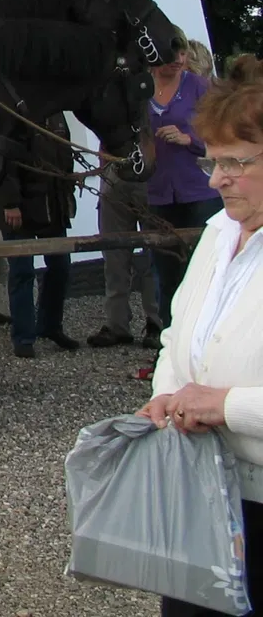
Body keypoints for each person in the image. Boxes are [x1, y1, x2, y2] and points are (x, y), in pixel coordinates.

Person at [139, 54, 263, 617]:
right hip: (204, 489)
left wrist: (227, 406)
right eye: (214, 162)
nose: (216, 180)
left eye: (235, 163)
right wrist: (168, 394)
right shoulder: (218, 230)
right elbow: (175, 336)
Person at [147, 40, 224, 327]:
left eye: (181, 53)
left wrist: (189, 139)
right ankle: (169, 342)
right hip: (158, 191)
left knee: (204, 269)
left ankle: (208, 336)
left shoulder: (201, 87)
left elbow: (223, 136)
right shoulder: (141, 89)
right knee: (166, 273)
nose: (178, 59)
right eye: (171, 53)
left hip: (199, 190)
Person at [0, 112, 81, 358]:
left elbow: (64, 155)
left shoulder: (56, 116)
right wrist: (9, 202)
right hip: (18, 206)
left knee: (60, 267)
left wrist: (68, 189)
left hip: (52, 204)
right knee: (22, 271)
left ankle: (50, 326)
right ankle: (23, 337)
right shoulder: (12, 112)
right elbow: (3, 160)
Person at [87, 159, 165, 349]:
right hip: (115, 169)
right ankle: (116, 323)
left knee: (154, 254)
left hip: (152, 169)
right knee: (114, 255)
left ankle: (157, 322)